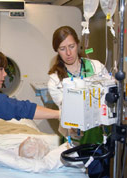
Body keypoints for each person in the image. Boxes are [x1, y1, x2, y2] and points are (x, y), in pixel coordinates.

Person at [47, 26, 110, 178]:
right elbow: (69, 110)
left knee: (100, 172)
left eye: (71, 46)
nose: (68, 53)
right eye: (62, 48)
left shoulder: (96, 67)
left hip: (99, 133)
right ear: (56, 50)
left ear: (78, 44)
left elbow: (108, 94)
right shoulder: (55, 80)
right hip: (73, 136)